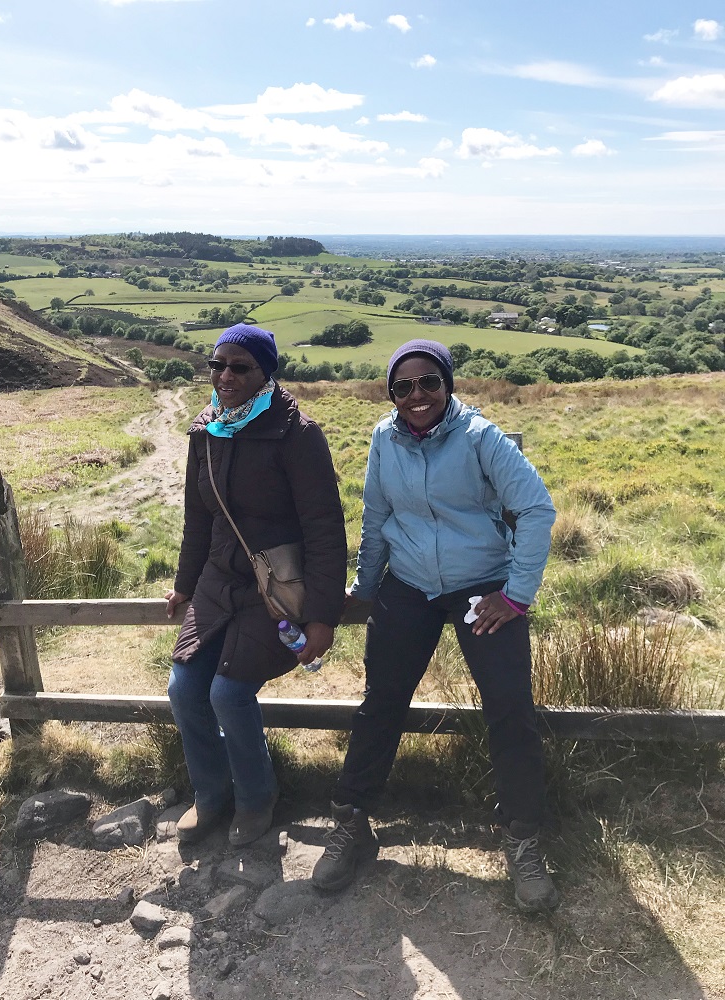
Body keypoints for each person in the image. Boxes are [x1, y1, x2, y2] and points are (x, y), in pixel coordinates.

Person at [312, 339, 559, 912]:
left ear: (448, 385)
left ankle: (523, 840)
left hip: (481, 587)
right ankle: (352, 823)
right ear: (391, 393)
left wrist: (515, 596)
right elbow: (377, 518)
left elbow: (537, 508)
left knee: (509, 708)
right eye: (404, 386)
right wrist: (367, 588)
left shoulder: (481, 438)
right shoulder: (383, 438)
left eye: (429, 382)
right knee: (382, 702)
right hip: (410, 585)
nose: (417, 395)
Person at [166, 323, 347, 848]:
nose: (225, 376)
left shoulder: (297, 434)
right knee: (184, 689)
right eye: (217, 365)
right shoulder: (206, 431)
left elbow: (324, 528)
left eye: (239, 367)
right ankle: (210, 794)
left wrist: (322, 615)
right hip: (217, 581)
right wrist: (183, 583)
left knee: (229, 692)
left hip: (273, 589)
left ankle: (255, 797)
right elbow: (197, 519)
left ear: (266, 371)